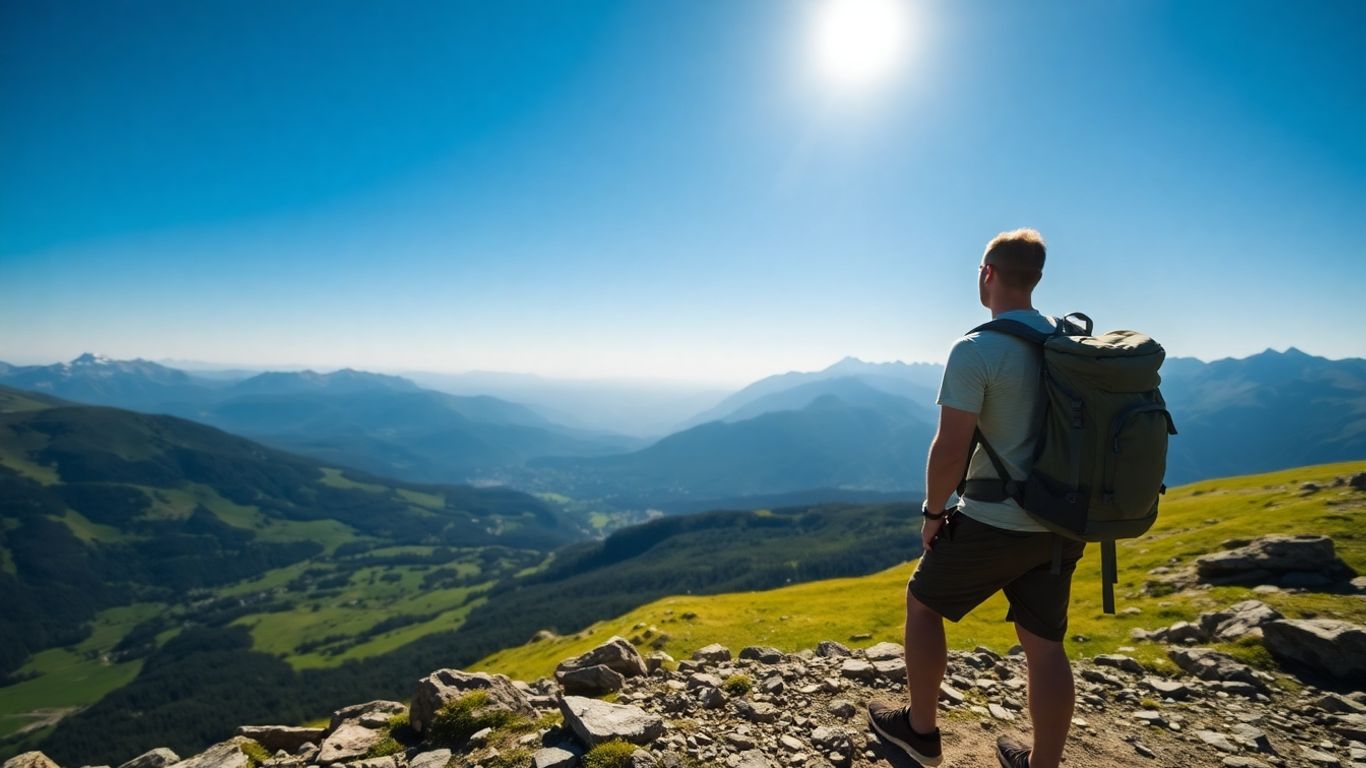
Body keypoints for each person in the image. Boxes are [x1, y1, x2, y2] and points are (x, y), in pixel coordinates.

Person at [866, 229, 1085, 768]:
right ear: (1036, 277)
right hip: (1064, 521)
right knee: (1045, 644)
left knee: (922, 603)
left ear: (987, 273)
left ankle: (920, 731)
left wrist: (933, 512)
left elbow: (950, 449)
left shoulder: (977, 349)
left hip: (995, 520)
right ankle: (1043, 764)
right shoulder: (1070, 344)